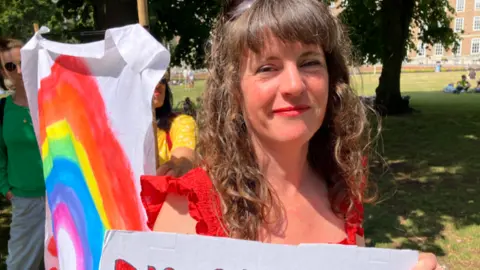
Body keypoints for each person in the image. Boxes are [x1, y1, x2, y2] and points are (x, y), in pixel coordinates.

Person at [141, 0, 440, 269]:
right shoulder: (189, 213)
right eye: (267, 68)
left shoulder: (340, 190)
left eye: (309, 62)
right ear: (233, 91)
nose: (295, 85)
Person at [0, 38, 45, 269]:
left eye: (23, 62)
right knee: (19, 265)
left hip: (61, 197)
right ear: (2, 70)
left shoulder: (51, 101)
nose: (18, 70)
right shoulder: (2, 110)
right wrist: (5, 188)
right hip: (25, 202)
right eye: (10, 66)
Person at [153, 74, 196, 177]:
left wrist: (178, 166)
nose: (159, 84)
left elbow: (185, 157)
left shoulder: (180, 122)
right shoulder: (113, 133)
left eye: (162, 79)